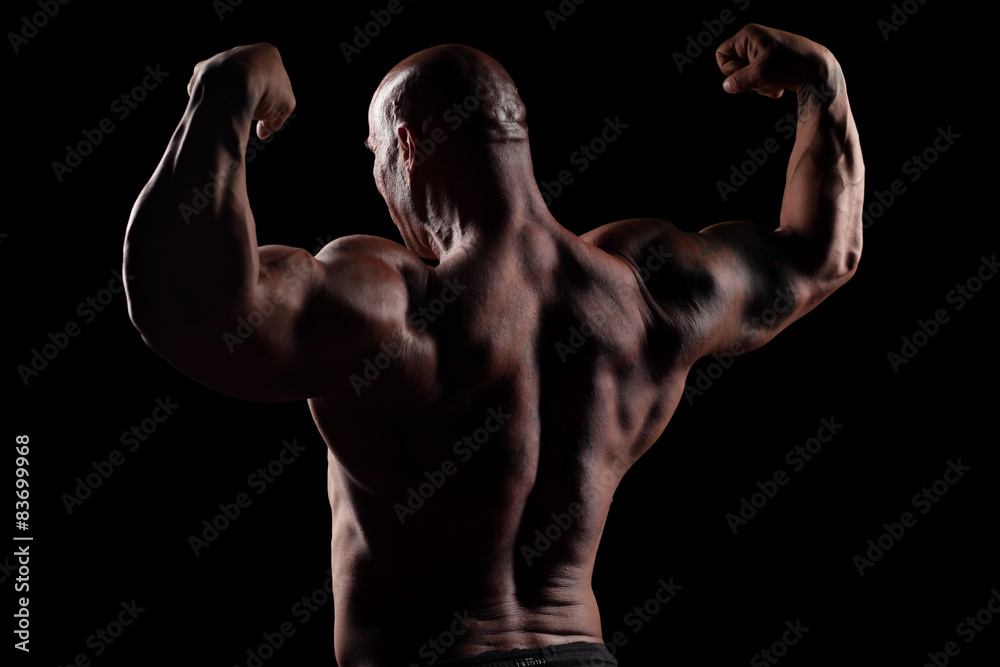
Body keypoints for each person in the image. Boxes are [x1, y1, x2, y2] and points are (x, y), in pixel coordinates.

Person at [123, 23, 863, 666]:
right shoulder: (644, 292)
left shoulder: (388, 304)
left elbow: (189, 305)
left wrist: (227, 88)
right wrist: (821, 84)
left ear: (406, 147)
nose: (381, 181)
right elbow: (821, 254)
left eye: (376, 155)